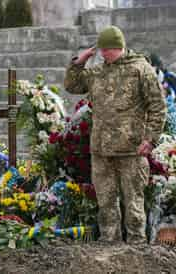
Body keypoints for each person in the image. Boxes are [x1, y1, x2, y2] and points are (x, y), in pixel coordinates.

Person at [64, 26, 166, 244]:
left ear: (120, 47)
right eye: (102, 50)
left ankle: (137, 242)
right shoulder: (97, 71)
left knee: (133, 200)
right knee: (106, 199)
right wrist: (79, 62)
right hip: (101, 149)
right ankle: (110, 240)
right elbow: (72, 85)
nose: (104, 54)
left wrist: (150, 139)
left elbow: (158, 106)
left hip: (131, 148)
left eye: (108, 49)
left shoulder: (140, 68)